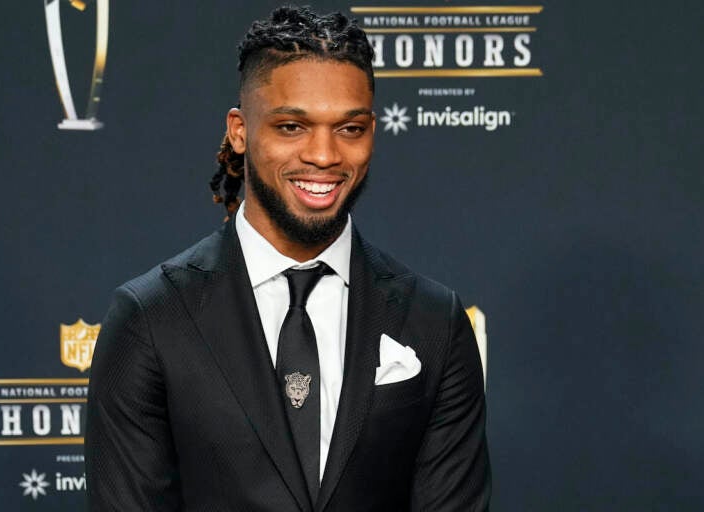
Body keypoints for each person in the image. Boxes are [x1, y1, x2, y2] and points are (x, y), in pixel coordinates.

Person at [86, 6, 490, 511]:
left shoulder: (435, 321)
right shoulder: (150, 318)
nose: (324, 155)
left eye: (349, 128)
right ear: (239, 130)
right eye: (292, 127)